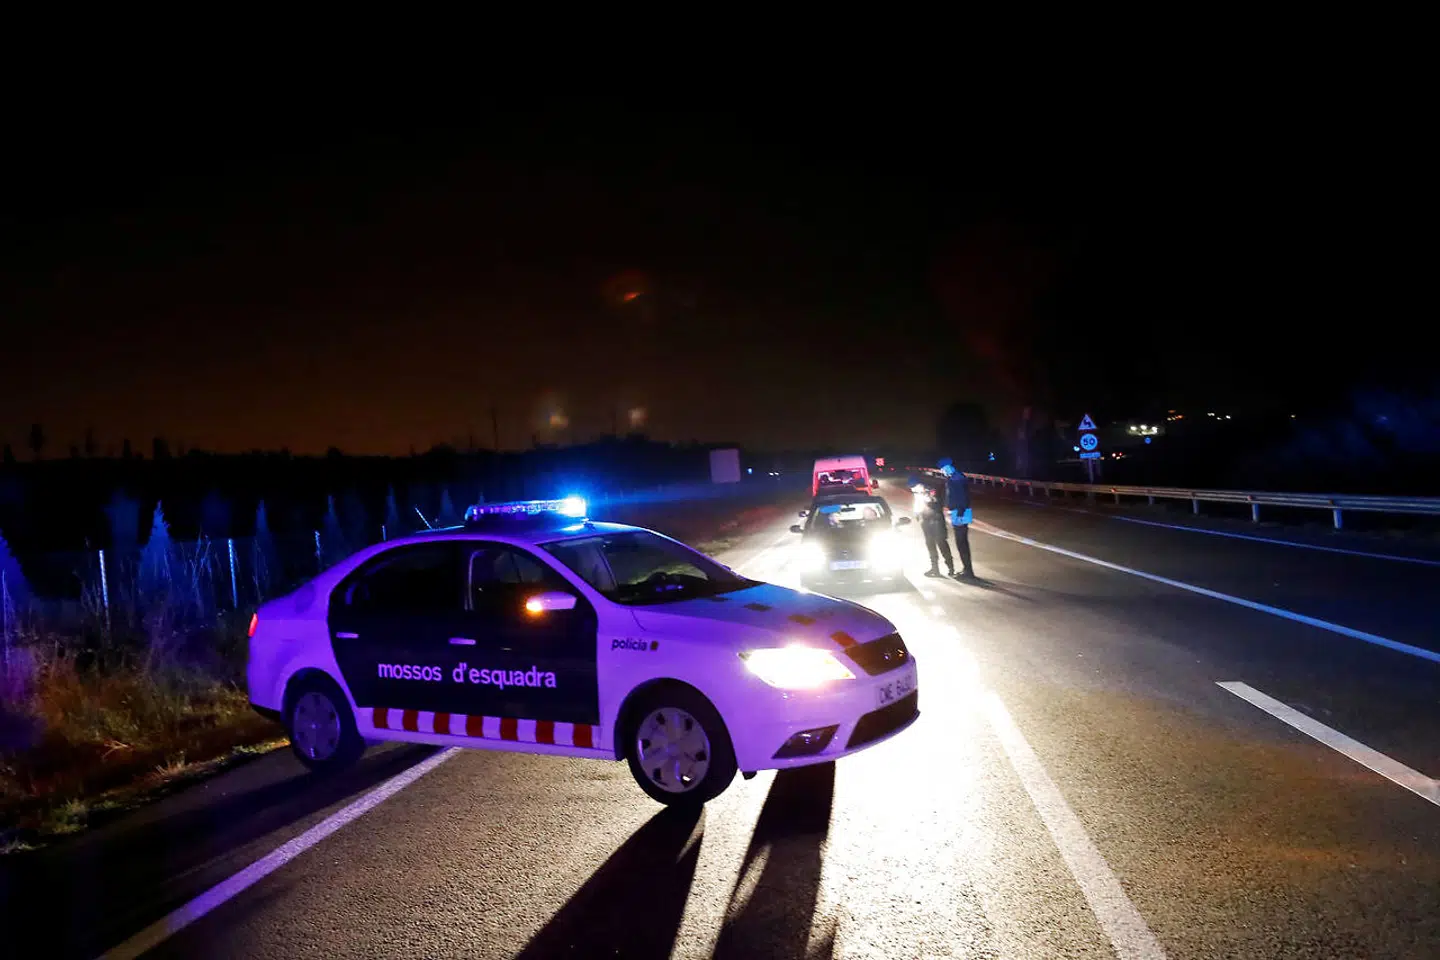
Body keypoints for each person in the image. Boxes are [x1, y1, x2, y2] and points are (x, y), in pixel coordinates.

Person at [938, 458, 975, 579]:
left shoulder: (956, 478)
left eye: (943, 469)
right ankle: (967, 569)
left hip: (960, 512)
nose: (942, 472)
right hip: (959, 511)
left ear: (948, 467)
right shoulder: (954, 477)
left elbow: (961, 497)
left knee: (961, 543)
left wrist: (959, 512)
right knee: (961, 542)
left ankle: (968, 571)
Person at [915, 471, 954, 579]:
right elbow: (918, 504)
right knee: (930, 544)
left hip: (936, 519)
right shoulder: (920, 490)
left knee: (941, 543)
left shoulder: (937, 488)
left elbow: (939, 502)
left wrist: (929, 497)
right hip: (926, 519)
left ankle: (950, 568)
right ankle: (935, 568)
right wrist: (918, 514)